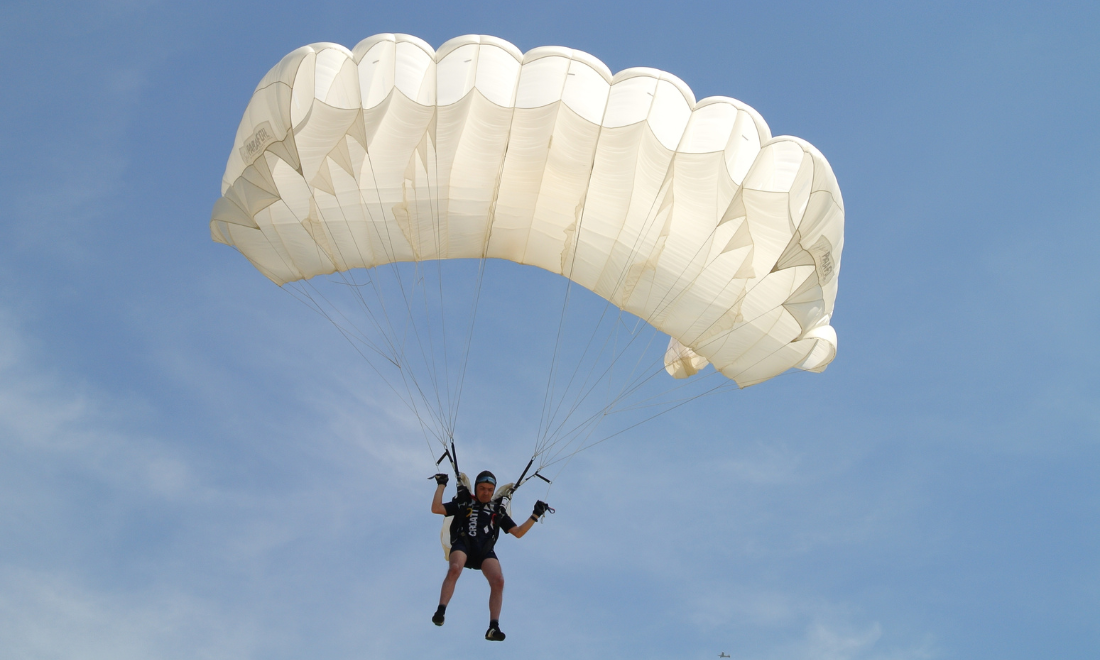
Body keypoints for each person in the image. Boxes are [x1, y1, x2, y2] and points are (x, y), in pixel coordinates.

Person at [430, 470, 550, 641]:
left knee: (499, 581)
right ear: (476, 488)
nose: (485, 492)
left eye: (489, 489)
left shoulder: (497, 510)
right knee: (455, 569)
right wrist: (441, 485)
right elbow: (436, 508)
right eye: (482, 488)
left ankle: (493, 627)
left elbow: (518, 532)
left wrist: (535, 515)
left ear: (493, 491)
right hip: (463, 544)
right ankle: (440, 611)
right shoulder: (464, 503)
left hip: (484, 550)